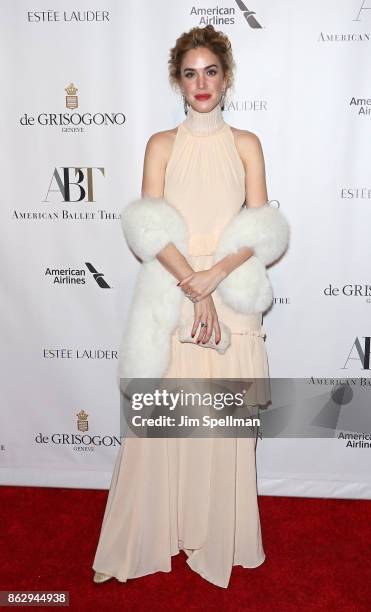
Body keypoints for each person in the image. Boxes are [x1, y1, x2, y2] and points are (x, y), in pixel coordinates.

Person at [92, 25, 289, 589]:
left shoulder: (246, 143)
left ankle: (215, 537)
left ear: (226, 79)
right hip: (173, 291)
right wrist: (190, 284)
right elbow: (148, 227)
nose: (201, 83)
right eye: (189, 72)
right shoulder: (162, 144)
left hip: (228, 288)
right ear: (177, 81)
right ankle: (147, 535)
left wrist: (215, 277)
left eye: (210, 72)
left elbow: (261, 229)